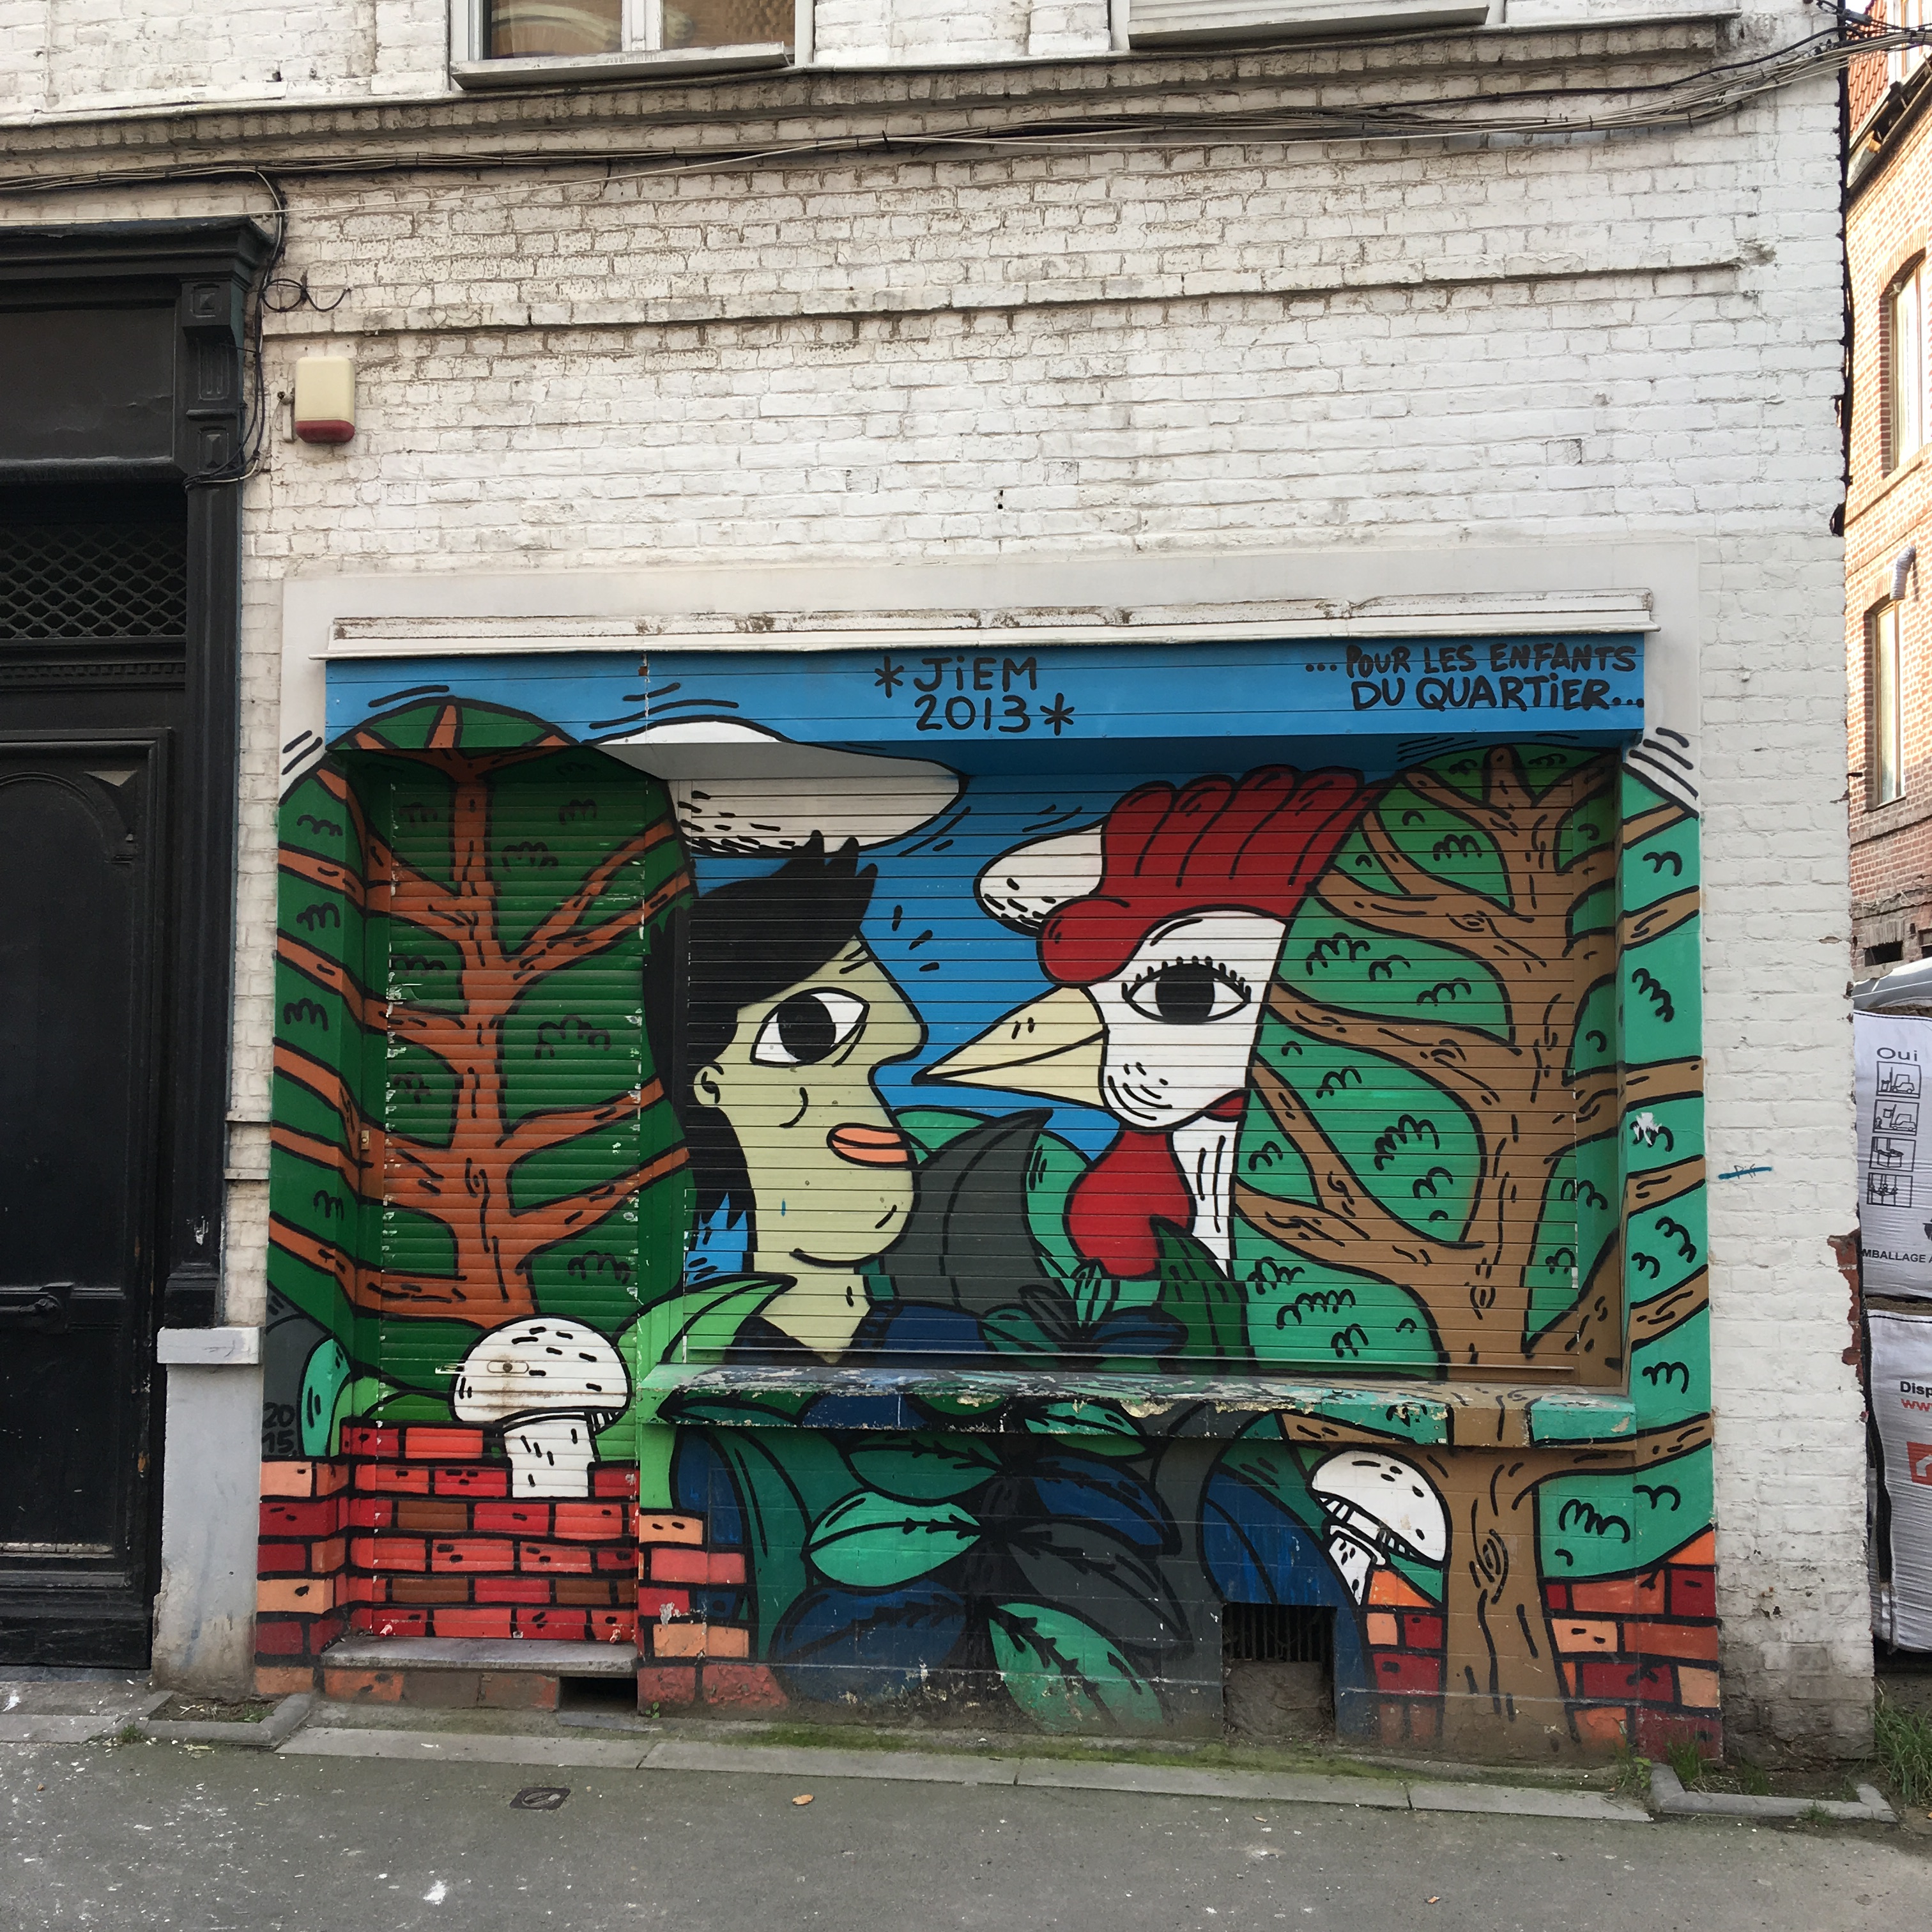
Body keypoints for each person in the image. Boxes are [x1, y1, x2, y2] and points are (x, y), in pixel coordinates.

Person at [666, 835, 925, 1358]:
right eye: (809, 1024)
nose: (906, 1033)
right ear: (710, 1083)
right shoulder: (707, 1355)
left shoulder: (936, 1336)